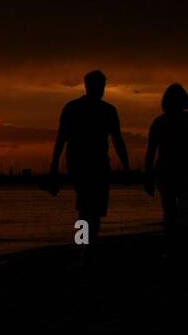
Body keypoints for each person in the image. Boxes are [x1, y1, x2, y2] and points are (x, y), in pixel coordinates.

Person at [49, 69, 129, 242]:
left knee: (91, 210)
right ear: (88, 86)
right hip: (84, 164)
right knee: (88, 208)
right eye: (99, 85)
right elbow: (61, 138)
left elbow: (117, 140)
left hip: (92, 163)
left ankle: (86, 243)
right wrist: (54, 164)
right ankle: (85, 244)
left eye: (103, 85)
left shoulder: (103, 110)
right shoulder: (82, 108)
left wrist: (126, 164)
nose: (101, 89)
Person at [143, 83, 188, 228]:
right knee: (186, 207)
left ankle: (171, 241)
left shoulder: (159, 122)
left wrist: (147, 177)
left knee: (169, 210)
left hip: (165, 171)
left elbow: (151, 152)